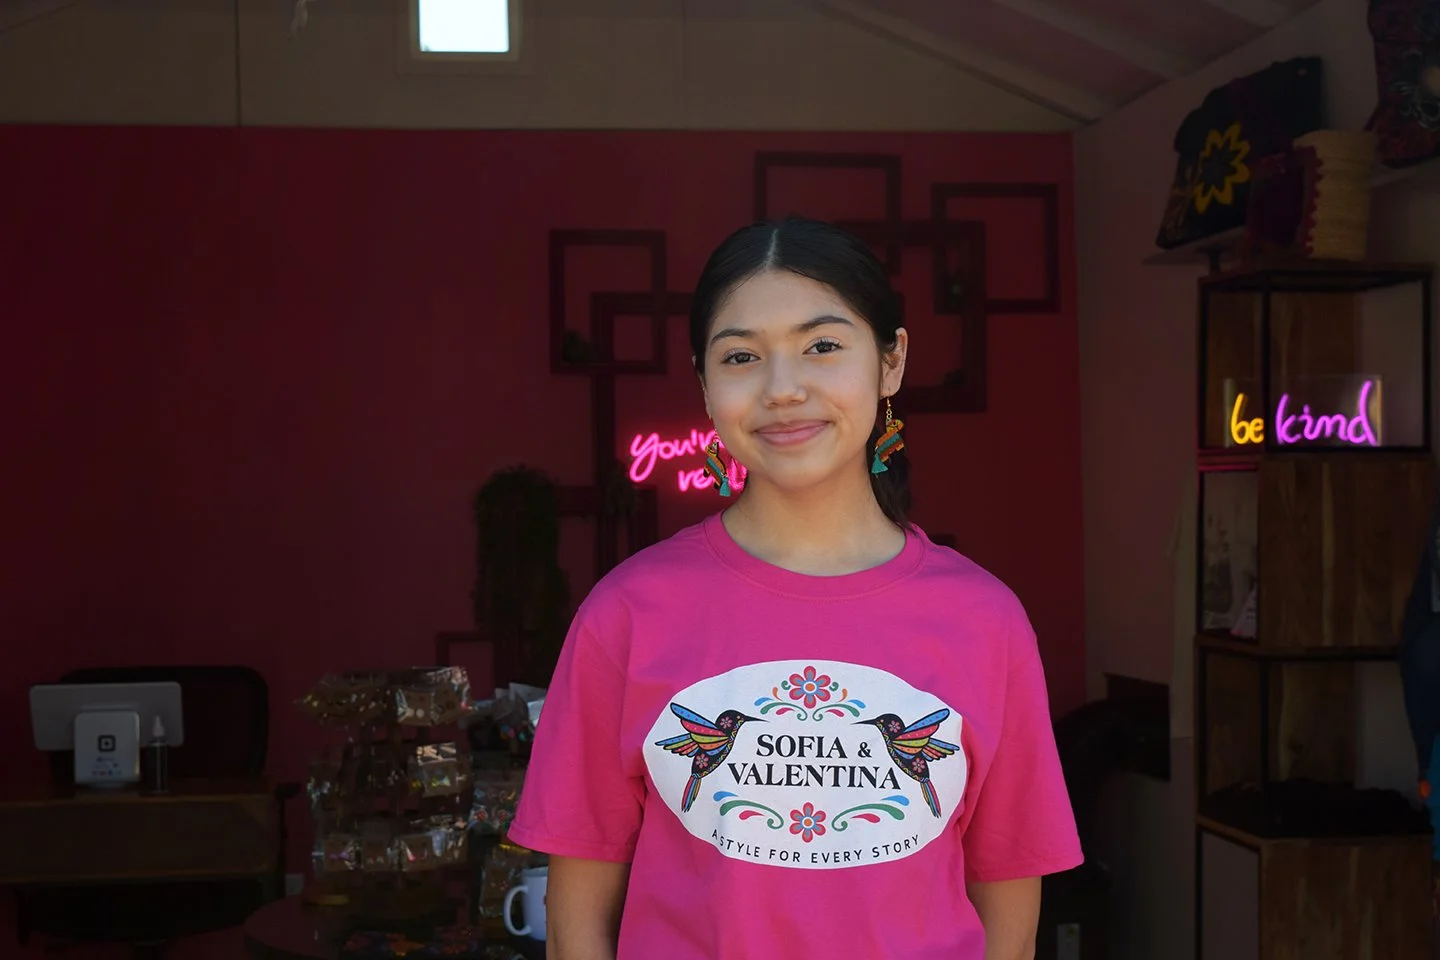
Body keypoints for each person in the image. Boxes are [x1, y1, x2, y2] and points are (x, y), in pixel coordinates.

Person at [506, 215, 1082, 959]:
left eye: (822, 346)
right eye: (742, 355)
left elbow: (1008, 899)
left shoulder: (984, 620)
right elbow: (577, 925)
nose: (783, 389)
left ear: (891, 361)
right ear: (705, 385)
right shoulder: (627, 614)